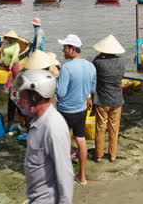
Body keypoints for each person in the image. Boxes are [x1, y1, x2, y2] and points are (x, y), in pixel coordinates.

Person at [13, 69, 73, 204]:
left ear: (36, 97)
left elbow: (65, 174)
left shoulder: (52, 127)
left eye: (23, 97)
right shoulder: (37, 121)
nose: (20, 101)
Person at [56, 34, 96, 185]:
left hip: (65, 110)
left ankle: (62, 174)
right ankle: (82, 176)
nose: (63, 50)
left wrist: (55, 82)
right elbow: (92, 88)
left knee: (63, 141)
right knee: (81, 139)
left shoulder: (66, 67)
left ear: (72, 49)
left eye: (65, 48)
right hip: (81, 109)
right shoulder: (90, 65)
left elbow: (60, 93)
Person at [91, 35, 125, 163]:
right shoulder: (121, 62)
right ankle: (112, 155)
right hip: (117, 99)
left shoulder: (97, 62)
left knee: (100, 128)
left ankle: (98, 155)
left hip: (102, 100)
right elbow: (120, 76)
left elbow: (94, 78)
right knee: (114, 128)